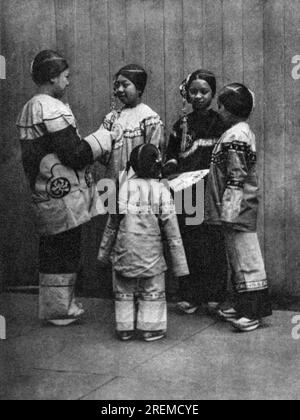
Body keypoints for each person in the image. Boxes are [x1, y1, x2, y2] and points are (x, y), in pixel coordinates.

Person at [16, 50, 114, 326]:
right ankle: (60, 309)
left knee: (53, 249)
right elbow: (76, 155)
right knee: (64, 250)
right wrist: (104, 137)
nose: (68, 82)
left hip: (45, 191)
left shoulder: (31, 106)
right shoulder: (49, 108)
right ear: (52, 77)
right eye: (66, 77)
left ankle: (58, 305)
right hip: (61, 195)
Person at [98, 144, 189, 342]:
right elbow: (172, 232)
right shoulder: (161, 191)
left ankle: (125, 328)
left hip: (124, 252)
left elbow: (111, 226)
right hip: (151, 255)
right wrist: (180, 266)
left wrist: (103, 254)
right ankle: (150, 329)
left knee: (123, 290)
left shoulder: (123, 190)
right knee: (152, 290)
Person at [205, 82, 272, 332]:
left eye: (221, 106)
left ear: (231, 109)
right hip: (234, 210)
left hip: (237, 210)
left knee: (247, 260)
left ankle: (252, 312)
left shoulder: (236, 135)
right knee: (237, 258)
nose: (218, 110)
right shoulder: (236, 132)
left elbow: (236, 176)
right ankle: (242, 304)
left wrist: (229, 212)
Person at [163, 69, 228, 315]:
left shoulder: (219, 123)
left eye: (204, 91)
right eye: (194, 91)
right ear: (187, 94)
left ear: (212, 94)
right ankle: (190, 295)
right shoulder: (181, 125)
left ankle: (215, 295)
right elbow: (171, 154)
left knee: (212, 243)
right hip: (185, 192)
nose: (198, 96)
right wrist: (170, 165)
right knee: (188, 243)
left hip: (210, 191)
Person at [100, 64, 165, 179]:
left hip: (139, 185)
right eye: (117, 85)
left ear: (139, 88)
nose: (119, 89)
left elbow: (155, 156)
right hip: (113, 181)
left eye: (125, 85)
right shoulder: (112, 118)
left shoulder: (149, 118)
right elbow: (101, 152)